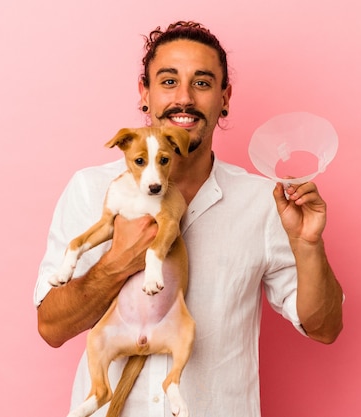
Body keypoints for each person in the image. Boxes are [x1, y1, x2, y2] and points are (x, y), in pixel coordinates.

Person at [34, 21, 343, 417]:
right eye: (167, 81)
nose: (183, 99)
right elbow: (51, 328)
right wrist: (117, 261)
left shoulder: (263, 201)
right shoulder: (92, 189)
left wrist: (308, 245)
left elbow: (324, 327)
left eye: (201, 83)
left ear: (224, 97)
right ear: (144, 94)